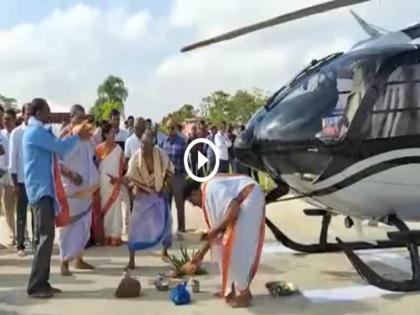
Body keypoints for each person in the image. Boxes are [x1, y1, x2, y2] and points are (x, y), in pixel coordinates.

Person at [23, 98, 91, 298]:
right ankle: (36, 285)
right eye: (46, 111)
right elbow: (60, 149)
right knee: (45, 239)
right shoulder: (35, 132)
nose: (49, 115)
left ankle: (42, 282)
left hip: (45, 191)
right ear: (38, 113)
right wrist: (76, 135)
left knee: (46, 238)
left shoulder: (39, 131)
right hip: (40, 191)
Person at [182, 175, 265, 308]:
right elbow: (215, 235)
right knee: (223, 244)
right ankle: (229, 289)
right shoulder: (207, 194)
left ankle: (244, 294)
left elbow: (233, 210)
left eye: (193, 202)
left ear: (194, 192)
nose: (196, 206)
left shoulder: (211, 190)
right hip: (242, 199)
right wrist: (197, 258)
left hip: (250, 196)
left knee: (237, 245)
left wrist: (216, 230)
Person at [119, 130, 174, 269]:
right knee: (135, 227)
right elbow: (129, 177)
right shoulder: (135, 157)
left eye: (146, 144)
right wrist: (120, 181)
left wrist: (166, 185)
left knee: (166, 223)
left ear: (153, 144)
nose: (143, 146)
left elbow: (170, 171)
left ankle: (164, 251)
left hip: (158, 193)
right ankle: (131, 260)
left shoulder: (160, 154)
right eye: (142, 142)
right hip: (142, 195)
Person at [57, 105, 99, 276]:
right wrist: (72, 175)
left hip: (87, 191)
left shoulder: (87, 139)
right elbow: (57, 163)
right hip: (72, 191)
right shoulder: (67, 139)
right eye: (78, 118)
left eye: (84, 118)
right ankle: (64, 262)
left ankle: (79, 259)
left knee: (84, 226)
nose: (82, 121)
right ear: (71, 117)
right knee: (68, 227)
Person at [10, 104, 34, 257]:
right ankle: (20, 245)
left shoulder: (37, 131)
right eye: (28, 113)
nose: (30, 116)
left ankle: (37, 243)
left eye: (32, 114)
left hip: (35, 180)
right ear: (23, 115)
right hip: (21, 180)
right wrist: (15, 183)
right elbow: (13, 159)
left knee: (36, 213)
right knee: (21, 214)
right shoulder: (17, 133)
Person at [96, 122, 125, 246]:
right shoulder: (99, 149)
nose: (114, 135)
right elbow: (96, 166)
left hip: (116, 183)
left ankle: (115, 236)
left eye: (114, 133)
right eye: (112, 133)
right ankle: (105, 236)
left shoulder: (118, 149)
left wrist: (118, 179)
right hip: (103, 182)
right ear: (105, 134)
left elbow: (122, 166)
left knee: (116, 209)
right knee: (105, 208)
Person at [160, 118, 187, 232]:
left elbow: (186, 159)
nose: (170, 130)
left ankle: (181, 228)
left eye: (172, 128)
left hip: (178, 176)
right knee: (166, 203)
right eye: (168, 128)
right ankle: (166, 228)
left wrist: (185, 175)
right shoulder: (163, 142)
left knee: (179, 204)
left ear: (176, 128)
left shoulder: (182, 142)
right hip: (166, 177)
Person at [0, 109, 17, 247]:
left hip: (18, 176)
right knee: (8, 208)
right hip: (3, 175)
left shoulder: (19, 134)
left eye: (8, 119)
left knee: (21, 207)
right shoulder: (0, 135)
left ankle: (24, 235)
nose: (5, 121)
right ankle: (13, 235)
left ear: (14, 120)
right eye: (4, 119)